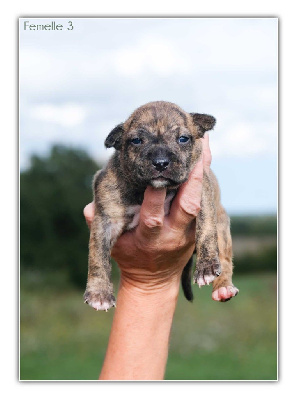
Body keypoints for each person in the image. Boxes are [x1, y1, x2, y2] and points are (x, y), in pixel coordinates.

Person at [83, 134, 212, 380]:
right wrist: (145, 279)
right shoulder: (115, 182)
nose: (161, 158)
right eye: (138, 141)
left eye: (182, 139)